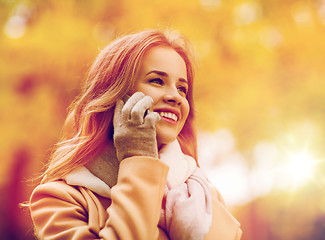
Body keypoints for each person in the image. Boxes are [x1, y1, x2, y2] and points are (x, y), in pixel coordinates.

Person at [29, 29, 242, 239]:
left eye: (182, 89)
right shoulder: (58, 199)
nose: (175, 97)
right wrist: (139, 159)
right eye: (157, 81)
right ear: (114, 95)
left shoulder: (202, 193)